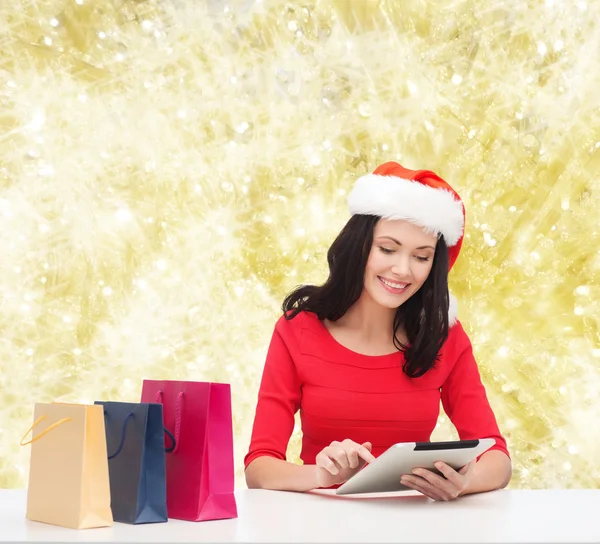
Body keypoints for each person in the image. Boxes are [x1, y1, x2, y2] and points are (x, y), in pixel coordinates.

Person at [244, 161, 512, 501]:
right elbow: (259, 467)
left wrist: (463, 482)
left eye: (421, 256)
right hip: (320, 522)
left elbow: (498, 459)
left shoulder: (445, 336)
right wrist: (323, 475)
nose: (402, 270)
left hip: (413, 524)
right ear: (360, 246)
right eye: (387, 249)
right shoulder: (298, 330)